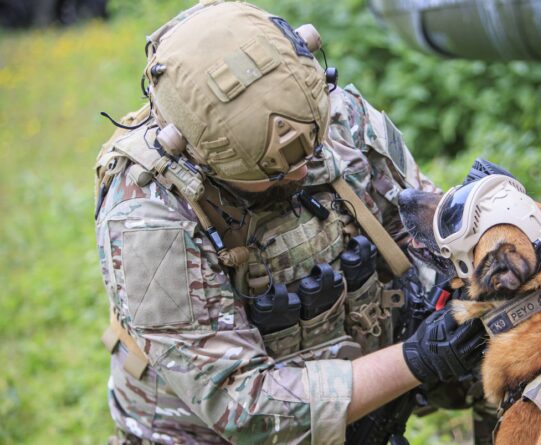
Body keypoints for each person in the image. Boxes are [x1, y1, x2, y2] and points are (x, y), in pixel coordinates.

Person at [94, 1, 487, 444]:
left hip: (358, 369)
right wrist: (417, 359)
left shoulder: (335, 115)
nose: (302, 171)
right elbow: (244, 407)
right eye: (274, 172)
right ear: (197, 159)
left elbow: (422, 233)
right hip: (205, 430)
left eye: (312, 146)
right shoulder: (149, 216)